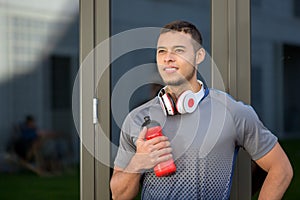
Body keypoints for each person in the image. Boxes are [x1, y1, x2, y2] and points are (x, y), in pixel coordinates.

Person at [110, 20, 293, 199]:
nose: (168, 58)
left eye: (179, 50)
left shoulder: (231, 111)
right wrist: (137, 163)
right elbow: (118, 195)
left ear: (199, 56)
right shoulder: (137, 118)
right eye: (162, 51)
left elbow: (281, 169)